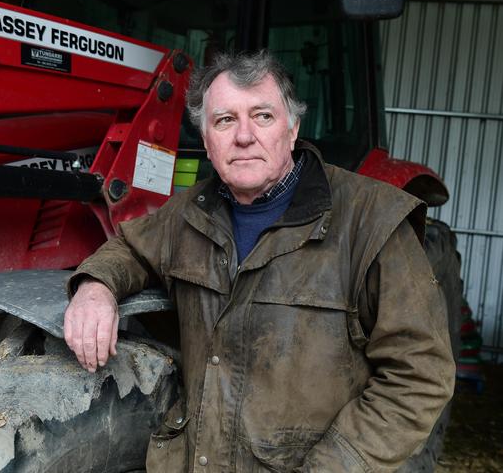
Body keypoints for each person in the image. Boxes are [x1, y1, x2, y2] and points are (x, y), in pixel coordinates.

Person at [64, 50, 455, 472]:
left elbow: (420, 376)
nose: (244, 136)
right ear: (208, 142)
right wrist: (95, 287)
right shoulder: (190, 212)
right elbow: (131, 248)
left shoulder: (372, 222)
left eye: (262, 116)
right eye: (225, 120)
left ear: (292, 128)